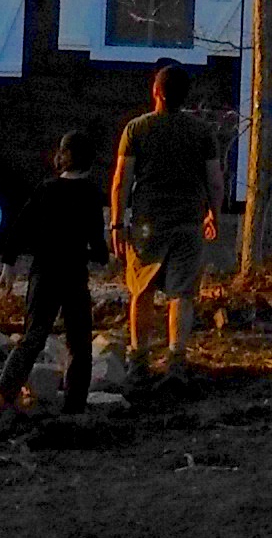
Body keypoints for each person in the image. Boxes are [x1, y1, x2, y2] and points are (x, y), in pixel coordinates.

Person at [109, 61, 222, 378]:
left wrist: (117, 223)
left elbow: (121, 179)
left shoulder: (136, 129)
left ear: (156, 92)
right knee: (181, 294)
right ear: (185, 96)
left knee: (141, 291)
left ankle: (139, 357)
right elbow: (214, 180)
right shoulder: (201, 132)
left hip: (147, 224)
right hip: (188, 222)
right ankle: (176, 359)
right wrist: (213, 212)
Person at [0, 129, 103, 417]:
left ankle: (1, 394)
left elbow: (19, 227)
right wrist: (102, 256)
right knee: (79, 342)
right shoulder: (91, 194)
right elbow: (97, 242)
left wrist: (9, 264)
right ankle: (74, 407)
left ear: (64, 157)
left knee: (33, 337)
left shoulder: (46, 189)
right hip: (74, 277)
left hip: (43, 275)